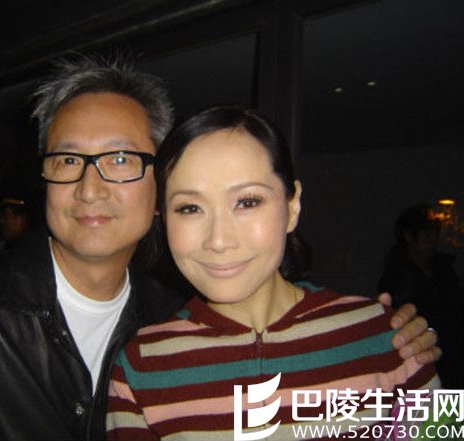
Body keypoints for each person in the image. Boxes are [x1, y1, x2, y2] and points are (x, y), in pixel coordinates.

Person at [0, 57, 438, 441]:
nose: (89, 188)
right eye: (67, 160)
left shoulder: (165, 316)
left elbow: (438, 423)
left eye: (120, 159)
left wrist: (394, 346)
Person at [107, 106, 440, 440]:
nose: (219, 240)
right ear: (164, 219)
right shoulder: (139, 367)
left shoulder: (390, 337)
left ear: (292, 207)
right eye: (189, 208)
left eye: (247, 202)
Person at [379, 204, 462, 387]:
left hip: (453, 359)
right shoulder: (397, 277)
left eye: (434, 234)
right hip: (421, 362)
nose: (433, 240)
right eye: (426, 234)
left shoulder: (444, 270)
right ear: (409, 237)